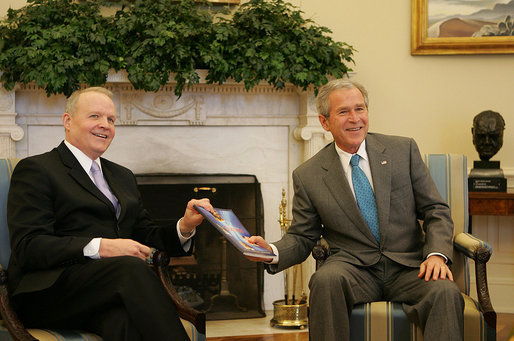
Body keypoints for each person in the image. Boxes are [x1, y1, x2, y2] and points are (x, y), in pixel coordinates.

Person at [247, 79, 464, 341]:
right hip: (353, 269)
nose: (355, 119)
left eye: (360, 109)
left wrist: (437, 255)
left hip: (410, 266)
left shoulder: (402, 150)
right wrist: (270, 252)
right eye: (343, 112)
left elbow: (435, 210)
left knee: (445, 291)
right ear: (325, 122)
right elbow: (303, 236)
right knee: (325, 281)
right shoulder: (308, 175)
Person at [7, 87, 213, 341]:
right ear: (68, 121)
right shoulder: (37, 169)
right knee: (130, 268)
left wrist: (185, 227)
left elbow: (146, 236)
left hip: (106, 294)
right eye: (95, 116)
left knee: (123, 324)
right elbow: (29, 247)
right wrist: (101, 247)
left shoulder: (122, 176)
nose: (105, 125)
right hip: (48, 293)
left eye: (111, 120)